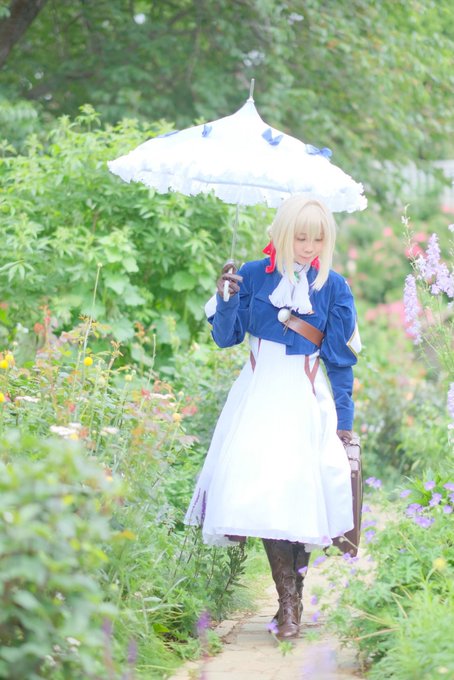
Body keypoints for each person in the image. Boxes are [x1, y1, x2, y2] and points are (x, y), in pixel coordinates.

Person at [184, 195, 361, 640]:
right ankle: (288, 604)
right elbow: (226, 338)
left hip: (306, 396)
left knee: (300, 493)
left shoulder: (334, 287)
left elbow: (339, 361)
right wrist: (226, 298)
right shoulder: (249, 275)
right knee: (268, 492)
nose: (309, 247)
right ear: (282, 234)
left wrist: (344, 421)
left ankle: (293, 598)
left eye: (317, 239)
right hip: (259, 395)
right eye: (300, 237)